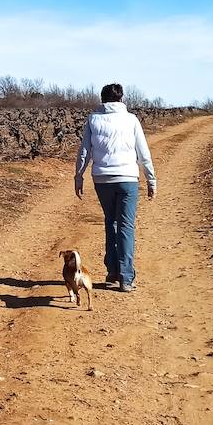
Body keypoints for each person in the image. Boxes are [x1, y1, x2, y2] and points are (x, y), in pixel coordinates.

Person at [74, 83, 156, 292]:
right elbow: (143, 152)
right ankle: (126, 278)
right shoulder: (131, 119)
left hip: (102, 179)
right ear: (121, 99)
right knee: (126, 226)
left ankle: (112, 271)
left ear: (102, 100)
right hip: (128, 178)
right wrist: (151, 179)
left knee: (111, 221)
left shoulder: (93, 119)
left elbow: (85, 152)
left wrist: (79, 175)